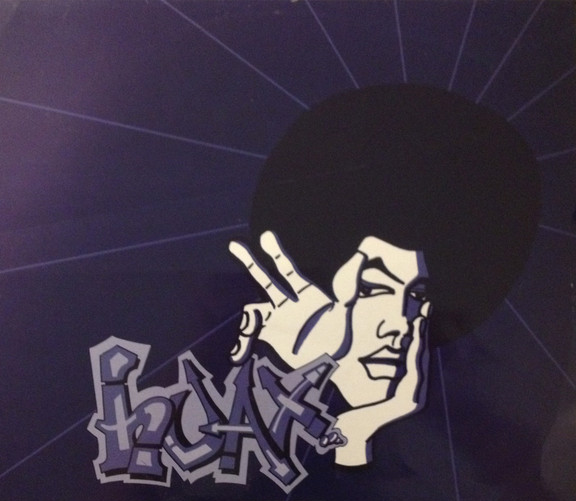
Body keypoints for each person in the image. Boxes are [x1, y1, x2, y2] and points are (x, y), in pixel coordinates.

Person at [228, 84, 540, 469]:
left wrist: (360, 428)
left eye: (418, 295)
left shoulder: (497, 416)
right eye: (374, 289)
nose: (399, 327)